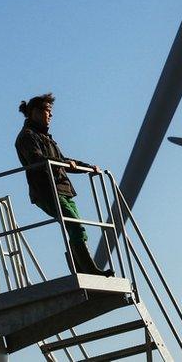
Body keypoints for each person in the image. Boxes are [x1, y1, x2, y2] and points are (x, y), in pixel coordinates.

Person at [14, 93, 112, 277]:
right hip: (47, 190)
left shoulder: (45, 137)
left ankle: (82, 269)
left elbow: (63, 160)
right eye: (47, 111)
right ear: (35, 112)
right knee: (75, 226)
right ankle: (89, 270)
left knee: (77, 227)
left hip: (62, 189)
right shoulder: (27, 137)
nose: (50, 115)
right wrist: (62, 164)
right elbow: (37, 159)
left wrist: (88, 168)